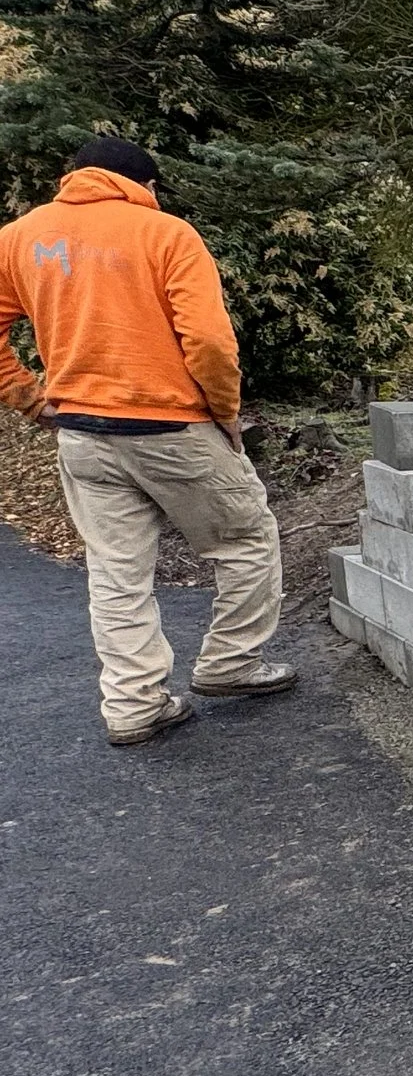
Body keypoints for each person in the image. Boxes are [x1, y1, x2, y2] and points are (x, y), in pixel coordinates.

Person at [0, 136, 295, 744]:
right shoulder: (166, 234)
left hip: (81, 432)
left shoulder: (20, 237)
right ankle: (232, 664)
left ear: (74, 177)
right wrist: (226, 412)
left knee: (116, 573)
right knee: (245, 540)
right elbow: (210, 342)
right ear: (147, 186)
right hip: (172, 428)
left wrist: (31, 398)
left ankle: (134, 705)